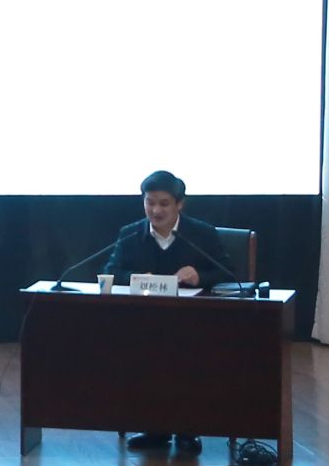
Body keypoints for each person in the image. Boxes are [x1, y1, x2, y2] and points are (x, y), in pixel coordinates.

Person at [103, 170, 234, 456]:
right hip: (144, 323)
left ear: (180, 204)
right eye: (149, 203)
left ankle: (187, 428)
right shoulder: (130, 234)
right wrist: (136, 277)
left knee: (186, 355)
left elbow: (228, 273)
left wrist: (199, 276)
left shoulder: (202, 233)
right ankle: (155, 428)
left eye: (163, 204)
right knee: (142, 353)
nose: (155, 211)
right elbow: (111, 271)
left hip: (194, 323)